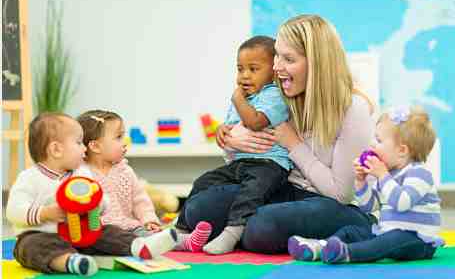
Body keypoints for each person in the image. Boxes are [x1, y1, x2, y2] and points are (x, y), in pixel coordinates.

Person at [177, 14, 376, 254]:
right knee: (199, 209)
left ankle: (361, 228)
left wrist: (293, 143)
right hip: (283, 190)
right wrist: (232, 142)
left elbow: (341, 193)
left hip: (332, 202)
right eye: (277, 56)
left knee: (262, 226)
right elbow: (257, 163)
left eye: (288, 59)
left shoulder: (353, 108)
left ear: (317, 63)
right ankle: (251, 233)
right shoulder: (284, 97)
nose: (276, 67)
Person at [6, 112, 177, 276]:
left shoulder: (81, 174)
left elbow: (100, 198)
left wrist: (97, 204)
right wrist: (45, 213)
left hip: (82, 234)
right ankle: (70, 262)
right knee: (29, 246)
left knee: (107, 232)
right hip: (44, 235)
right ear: (56, 150)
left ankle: (139, 246)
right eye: (79, 142)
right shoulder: (29, 178)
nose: (84, 148)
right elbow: (13, 211)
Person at [176, 36, 291, 254]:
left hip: (270, 164)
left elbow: (255, 122)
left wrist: (237, 98)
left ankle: (232, 232)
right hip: (240, 162)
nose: (245, 75)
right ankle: (181, 231)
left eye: (253, 69)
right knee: (204, 180)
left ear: (274, 70)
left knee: (251, 192)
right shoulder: (243, 97)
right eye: (240, 69)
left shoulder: (275, 94)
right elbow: (230, 128)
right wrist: (222, 131)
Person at [288, 106, 444, 263]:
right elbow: (370, 207)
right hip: (386, 233)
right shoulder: (388, 176)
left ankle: (347, 253)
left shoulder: (420, 174)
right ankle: (321, 247)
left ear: (402, 150)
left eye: (379, 141)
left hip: (417, 240)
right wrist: (361, 181)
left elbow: (401, 203)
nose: (373, 146)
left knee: (393, 239)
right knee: (353, 232)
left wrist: (382, 175)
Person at [77, 110, 212, 251]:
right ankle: (148, 245)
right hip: (102, 231)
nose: (125, 142)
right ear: (95, 146)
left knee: (150, 234)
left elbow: (140, 200)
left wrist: (149, 219)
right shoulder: (81, 174)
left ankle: (184, 241)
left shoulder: (125, 170)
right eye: (118, 137)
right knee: (118, 239)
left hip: (130, 227)